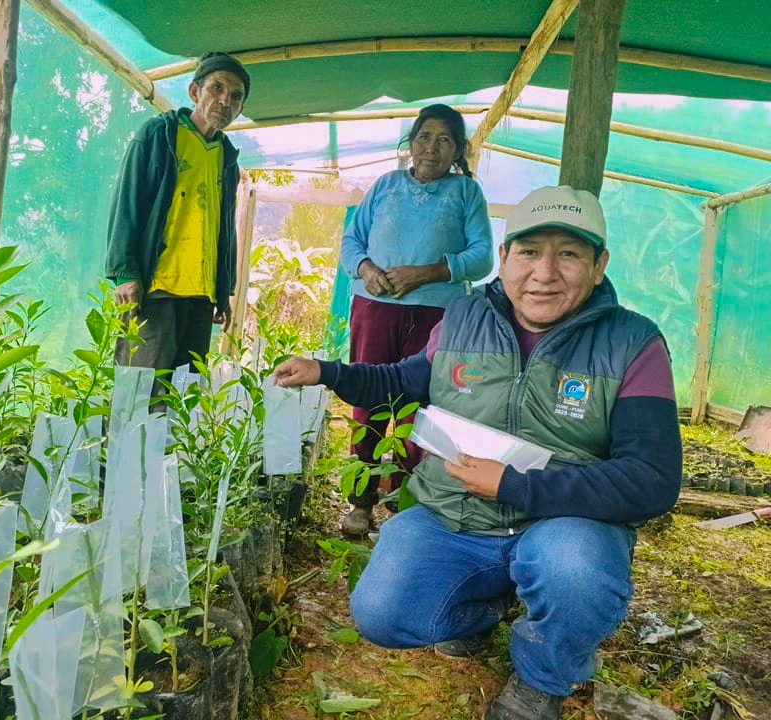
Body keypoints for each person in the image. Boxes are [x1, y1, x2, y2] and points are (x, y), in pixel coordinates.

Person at [275, 186, 682, 720]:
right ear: (505, 257)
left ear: (599, 265)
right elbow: (403, 380)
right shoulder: (464, 317)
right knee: (381, 614)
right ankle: (486, 608)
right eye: (530, 252)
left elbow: (652, 480)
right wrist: (326, 372)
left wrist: (515, 485)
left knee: (576, 574)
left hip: (564, 522)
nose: (544, 273)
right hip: (457, 514)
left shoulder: (632, 342)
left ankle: (543, 677)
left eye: (569, 254)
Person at [338, 103, 493, 536]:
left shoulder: (467, 193)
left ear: (458, 150)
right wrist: (367, 269)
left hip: (436, 315)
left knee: (421, 405)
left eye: (445, 140)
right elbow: (351, 241)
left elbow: (482, 256)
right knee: (368, 397)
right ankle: (361, 500)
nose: (431, 148)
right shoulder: (386, 185)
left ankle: (404, 501)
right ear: (411, 143)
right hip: (375, 308)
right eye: (424, 136)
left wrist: (428, 273)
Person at [106, 52, 250, 372]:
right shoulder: (159, 135)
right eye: (217, 88)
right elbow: (128, 201)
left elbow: (225, 228)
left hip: (201, 296)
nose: (225, 100)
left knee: (186, 391)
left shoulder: (226, 157)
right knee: (140, 388)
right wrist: (126, 272)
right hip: (156, 290)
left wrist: (224, 291)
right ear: (195, 92)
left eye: (236, 96)